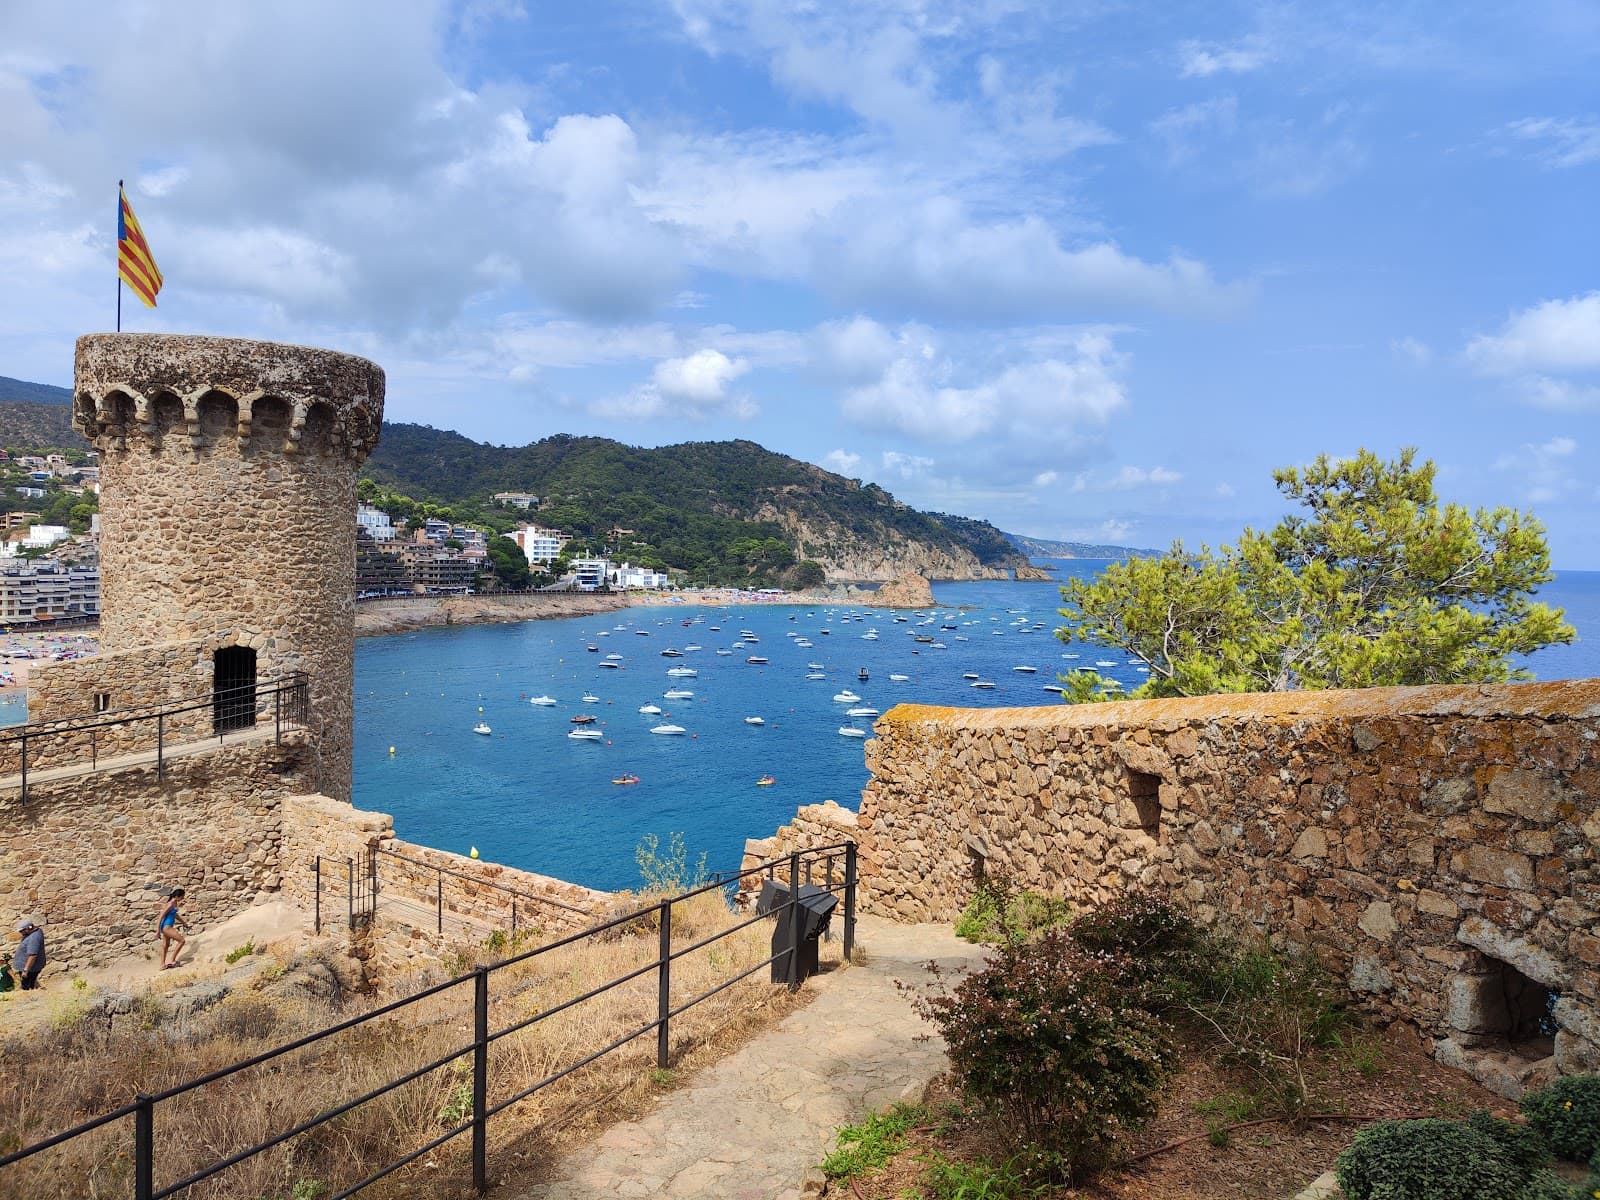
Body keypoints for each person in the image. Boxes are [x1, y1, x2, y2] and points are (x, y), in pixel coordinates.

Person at [158, 889, 189, 969]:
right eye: (182, 896)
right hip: (166, 926)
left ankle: (162, 965)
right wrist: (157, 931)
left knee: (165, 945)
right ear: (177, 896)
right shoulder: (170, 904)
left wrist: (183, 922)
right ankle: (172, 960)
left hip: (168, 926)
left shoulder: (175, 903)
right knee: (182, 941)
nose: (183, 898)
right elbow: (161, 916)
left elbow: (175, 915)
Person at [13, 916, 45, 990]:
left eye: (22, 931)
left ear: (29, 928)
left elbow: (32, 956)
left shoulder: (34, 938)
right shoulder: (36, 931)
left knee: (27, 986)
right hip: (29, 968)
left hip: (30, 969)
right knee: (30, 983)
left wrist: (25, 971)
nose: (20, 933)